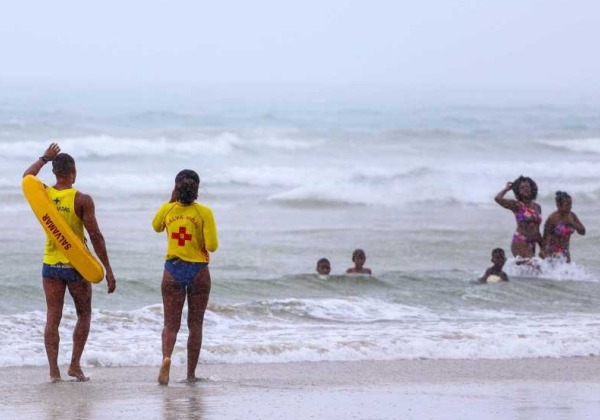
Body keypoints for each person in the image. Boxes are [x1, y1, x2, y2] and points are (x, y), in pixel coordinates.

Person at [23, 143, 117, 382]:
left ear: (55, 172)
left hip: (51, 265)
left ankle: (54, 372)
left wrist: (44, 158)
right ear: (73, 171)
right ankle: (74, 366)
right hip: (77, 266)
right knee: (83, 314)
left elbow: (27, 178)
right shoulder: (82, 199)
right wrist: (107, 269)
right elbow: (96, 236)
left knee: (53, 315)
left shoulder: (45, 194)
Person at [152, 169, 218, 385]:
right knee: (195, 325)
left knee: (170, 324)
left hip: (173, 270)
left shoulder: (167, 209)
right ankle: (190, 374)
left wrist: (172, 201)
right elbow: (212, 246)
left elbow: (156, 227)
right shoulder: (204, 212)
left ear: (175, 187)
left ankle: (166, 359)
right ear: (197, 189)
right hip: (198, 271)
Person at [494, 176, 542, 261]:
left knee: (530, 271)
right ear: (518, 191)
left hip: (532, 243)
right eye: (522, 188)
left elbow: (537, 230)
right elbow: (498, 199)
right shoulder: (516, 205)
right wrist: (506, 189)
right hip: (520, 241)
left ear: (532, 188)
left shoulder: (537, 207)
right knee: (532, 267)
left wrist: (542, 247)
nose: (525, 189)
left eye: (527, 187)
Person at [539, 191, 585, 263]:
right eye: (567, 205)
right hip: (552, 252)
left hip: (565, 252)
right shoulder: (552, 218)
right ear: (558, 205)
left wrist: (572, 223)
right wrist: (543, 252)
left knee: (568, 273)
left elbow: (583, 232)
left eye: (571, 204)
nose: (570, 207)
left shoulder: (572, 215)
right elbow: (545, 238)